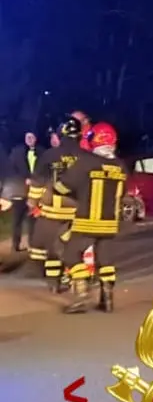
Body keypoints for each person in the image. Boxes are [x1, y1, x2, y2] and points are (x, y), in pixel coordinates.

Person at [56, 125, 126, 313]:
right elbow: (122, 193)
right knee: (105, 260)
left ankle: (81, 296)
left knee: (71, 254)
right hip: (110, 223)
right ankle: (107, 300)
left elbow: (62, 187)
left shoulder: (85, 161)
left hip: (86, 221)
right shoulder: (120, 166)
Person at [26, 118, 94, 292]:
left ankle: (54, 282)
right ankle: (74, 277)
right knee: (71, 246)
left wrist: (32, 202)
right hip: (78, 210)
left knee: (50, 247)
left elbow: (37, 182)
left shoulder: (49, 155)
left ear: (61, 135)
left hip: (52, 211)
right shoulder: (87, 157)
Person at [5, 132, 41, 254]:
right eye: (27, 137)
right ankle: (16, 245)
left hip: (36, 191)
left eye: (32, 137)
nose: (30, 139)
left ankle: (32, 244)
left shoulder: (42, 151)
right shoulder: (17, 152)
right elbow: (10, 169)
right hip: (20, 190)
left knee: (33, 218)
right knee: (17, 219)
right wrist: (24, 178)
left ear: (36, 138)